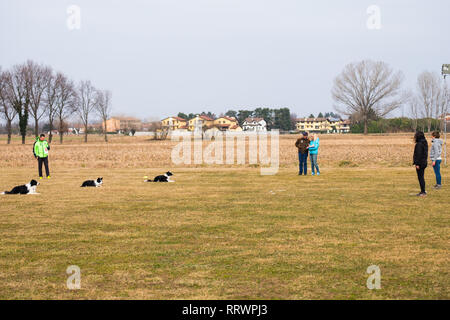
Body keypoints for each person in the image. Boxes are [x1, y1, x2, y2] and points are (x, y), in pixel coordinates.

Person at [413, 131, 428, 197]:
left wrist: (417, 164)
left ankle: (423, 192)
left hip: (420, 163)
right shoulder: (425, 142)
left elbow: (418, 155)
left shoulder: (419, 144)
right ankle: (423, 190)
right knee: (421, 177)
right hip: (424, 162)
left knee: (420, 177)